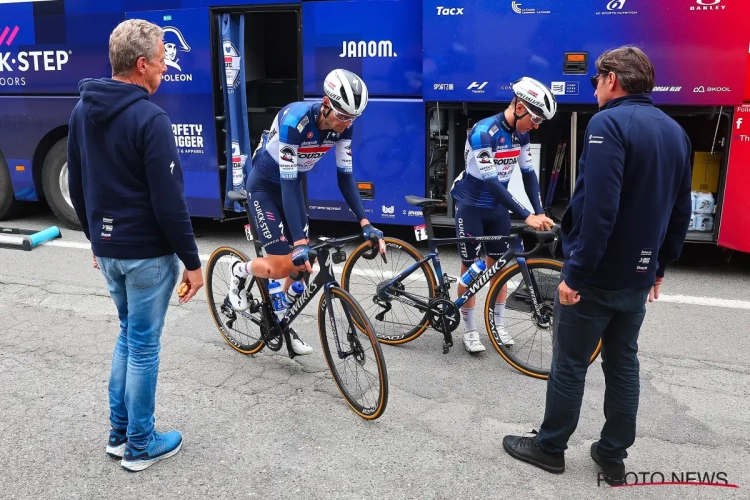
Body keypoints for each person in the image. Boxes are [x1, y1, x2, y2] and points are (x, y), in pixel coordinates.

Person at [502, 46, 693, 485]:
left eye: (595, 80)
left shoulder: (608, 123)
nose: (594, 89)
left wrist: (575, 274)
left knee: (570, 362)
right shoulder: (675, 132)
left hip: (598, 275)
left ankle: (550, 447)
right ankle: (612, 456)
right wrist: (661, 266)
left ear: (611, 79)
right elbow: (679, 210)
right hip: (638, 276)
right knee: (623, 363)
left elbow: (598, 208)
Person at [67, 19, 204, 472]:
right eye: (163, 60)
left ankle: (119, 434)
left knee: (128, 336)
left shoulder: (82, 110)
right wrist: (192, 262)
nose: (166, 68)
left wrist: (94, 240)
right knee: (143, 345)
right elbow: (170, 203)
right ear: (141, 64)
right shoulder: (151, 118)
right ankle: (142, 445)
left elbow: (80, 184)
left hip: (108, 251)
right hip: (146, 252)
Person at [228, 68, 386, 356]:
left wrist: (365, 223)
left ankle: (281, 320)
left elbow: (345, 177)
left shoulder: (343, 127)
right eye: (342, 116)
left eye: (353, 118)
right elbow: (287, 183)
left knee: (302, 269)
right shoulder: (294, 122)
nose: (346, 124)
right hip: (265, 188)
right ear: (326, 103)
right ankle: (238, 272)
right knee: (281, 266)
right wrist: (299, 243)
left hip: (293, 187)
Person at [449, 77, 556, 353]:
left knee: (500, 268)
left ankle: (497, 325)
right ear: (519, 106)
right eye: (535, 118)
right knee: (471, 270)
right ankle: (470, 330)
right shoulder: (483, 132)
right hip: (471, 208)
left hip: (497, 210)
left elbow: (529, 175)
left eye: (540, 121)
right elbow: (492, 183)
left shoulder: (522, 135)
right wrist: (525, 215)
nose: (536, 124)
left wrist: (540, 212)